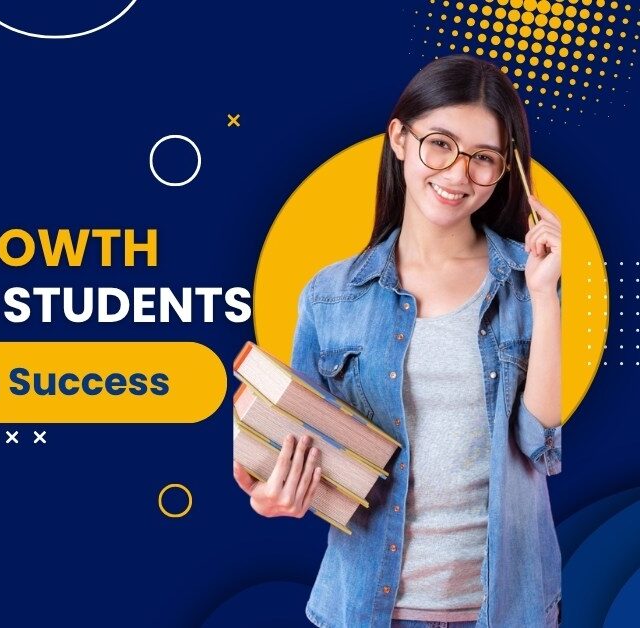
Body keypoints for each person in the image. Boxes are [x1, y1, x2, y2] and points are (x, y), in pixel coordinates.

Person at [232, 55, 562, 628]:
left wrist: (544, 294)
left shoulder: (524, 278)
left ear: (504, 171)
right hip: (366, 609)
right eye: (440, 144)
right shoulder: (331, 297)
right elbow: (300, 442)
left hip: (508, 610)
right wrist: (270, 496)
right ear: (400, 140)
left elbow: (540, 439)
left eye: (483, 158)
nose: (458, 174)